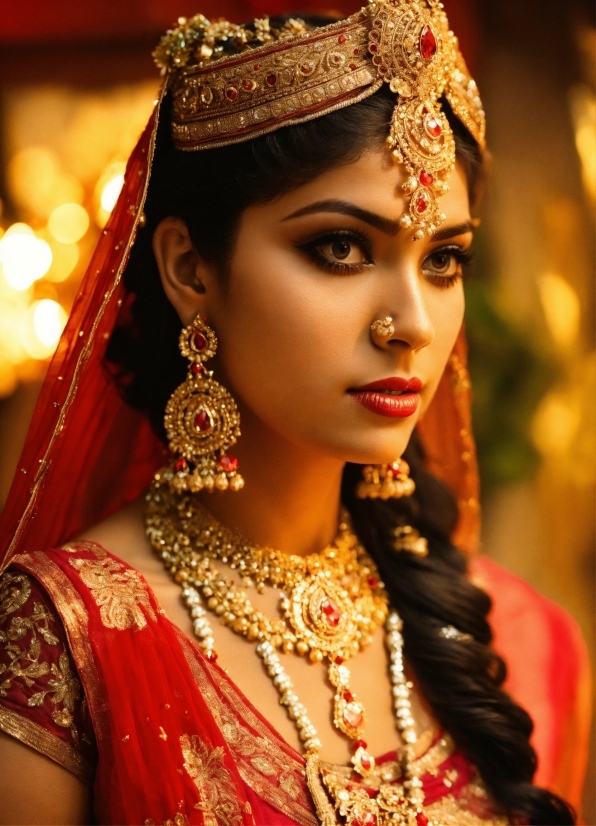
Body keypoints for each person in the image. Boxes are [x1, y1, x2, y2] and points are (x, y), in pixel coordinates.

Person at [0, 3, 591, 825]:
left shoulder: (524, 645)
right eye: (342, 248)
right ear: (189, 266)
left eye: (445, 259)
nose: (414, 324)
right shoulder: (67, 641)